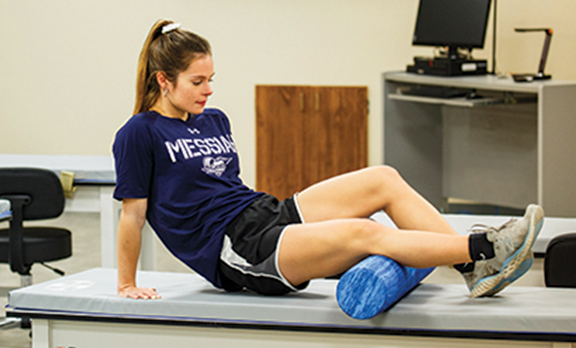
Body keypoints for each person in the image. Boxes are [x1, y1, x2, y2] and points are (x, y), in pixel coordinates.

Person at [113, 19, 544, 301]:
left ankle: (474, 269)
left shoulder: (213, 120)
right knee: (364, 233)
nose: (209, 90)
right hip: (235, 251)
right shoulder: (139, 133)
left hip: (263, 214)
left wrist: (278, 217)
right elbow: (133, 216)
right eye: (197, 81)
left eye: (211, 79)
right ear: (163, 81)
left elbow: (226, 189)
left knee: (383, 179)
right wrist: (127, 283)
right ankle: (485, 245)